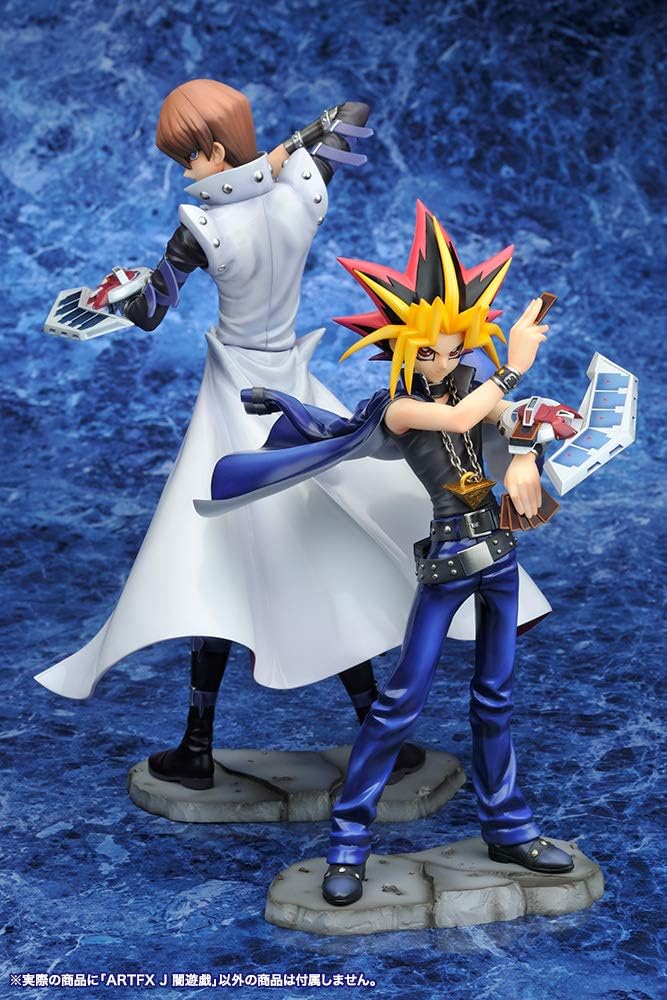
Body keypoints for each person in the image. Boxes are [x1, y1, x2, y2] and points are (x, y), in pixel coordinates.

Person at [36, 80, 437, 788]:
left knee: (213, 561)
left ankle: (197, 747)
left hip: (234, 400)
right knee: (324, 548)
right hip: (293, 390)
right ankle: (379, 732)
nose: (184, 174)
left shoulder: (202, 225)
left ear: (215, 151)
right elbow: (351, 115)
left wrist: (112, 296)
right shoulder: (300, 193)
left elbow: (151, 312)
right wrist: (277, 158)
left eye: (189, 159)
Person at [200, 203, 576, 904]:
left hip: (498, 555)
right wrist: (516, 368)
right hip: (448, 561)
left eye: (456, 347)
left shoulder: (469, 385)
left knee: (495, 700)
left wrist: (526, 449)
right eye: (430, 351)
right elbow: (465, 416)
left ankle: (508, 827)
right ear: (403, 349)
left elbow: (514, 416)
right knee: (400, 703)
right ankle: (348, 844)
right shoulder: (399, 408)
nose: (445, 360)